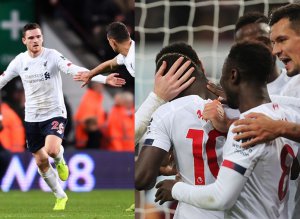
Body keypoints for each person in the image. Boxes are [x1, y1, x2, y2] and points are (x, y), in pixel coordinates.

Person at [155, 41, 300, 219]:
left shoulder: (245, 128)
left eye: (222, 76)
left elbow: (220, 198)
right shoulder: (284, 118)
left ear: (233, 75)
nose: (219, 85)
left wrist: (175, 189)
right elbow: (294, 171)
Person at [0, 23, 124, 210]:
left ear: (42, 37)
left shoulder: (52, 56)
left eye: (38, 36)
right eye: (31, 38)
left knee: (51, 149)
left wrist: (103, 78)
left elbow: (74, 69)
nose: (36, 40)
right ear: (24, 40)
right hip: (32, 116)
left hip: (54, 112)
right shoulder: (19, 61)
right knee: (41, 160)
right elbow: (3, 79)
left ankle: (59, 160)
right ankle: (60, 195)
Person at [135, 42, 235, 218]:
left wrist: (158, 169)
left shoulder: (166, 114)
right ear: (201, 65)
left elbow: (141, 178)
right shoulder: (240, 104)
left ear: (161, 80)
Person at [73, 21, 134, 87]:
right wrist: (90, 74)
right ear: (128, 34)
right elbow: (110, 65)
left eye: (108, 41)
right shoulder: (125, 53)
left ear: (113, 42)